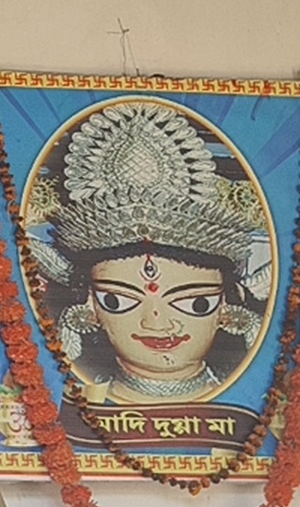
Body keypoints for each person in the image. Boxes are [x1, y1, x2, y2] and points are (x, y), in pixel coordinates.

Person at [27, 101, 271, 404]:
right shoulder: (77, 408)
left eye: (197, 302)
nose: (157, 323)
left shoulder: (256, 406)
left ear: (228, 310)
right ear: (88, 310)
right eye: (116, 300)